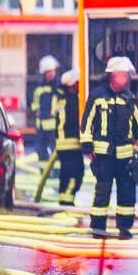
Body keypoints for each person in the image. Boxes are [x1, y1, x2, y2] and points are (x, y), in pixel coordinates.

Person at [80, 56, 138, 240]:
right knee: (102, 191)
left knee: (127, 192)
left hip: (125, 155)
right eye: (124, 74)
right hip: (104, 155)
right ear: (113, 75)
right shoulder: (97, 96)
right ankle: (98, 228)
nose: (126, 78)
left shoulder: (129, 98)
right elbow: (86, 122)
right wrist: (87, 146)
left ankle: (125, 228)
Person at [55, 69, 83, 206]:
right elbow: (78, 124)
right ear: (73, 84)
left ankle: (64, 201)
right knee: (75, 174)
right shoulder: (74, 101)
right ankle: (67, 204)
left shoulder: (62, 100)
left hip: (62, 145)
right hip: (72, 145)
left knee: (66, 174)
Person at [32, 55, 61, 161]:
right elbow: (35, 102)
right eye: (49, 71)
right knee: (40, 150)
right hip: (41, 126)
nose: (52, 73)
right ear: (44, 72)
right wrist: (36, 110)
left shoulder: (59, 85)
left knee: (56, 151)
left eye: (53, 71)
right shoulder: (39, 86)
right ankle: (43, 173)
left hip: (55, 126)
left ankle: (56, 173)